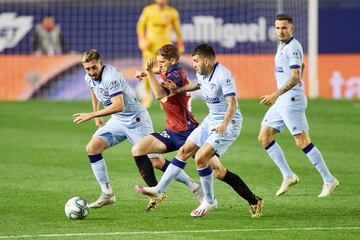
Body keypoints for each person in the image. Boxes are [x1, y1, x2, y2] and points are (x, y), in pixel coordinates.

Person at [135, 44, 264, 218]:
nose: (193, 64)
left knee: (207, 162)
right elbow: (197, 84)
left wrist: (224, 125)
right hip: (210, 120)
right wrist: (178, 90)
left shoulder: (223, 75)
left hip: (228, 121)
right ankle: (159, 190)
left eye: (196, 61)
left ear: (206, 60)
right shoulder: (202, 73)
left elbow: (232, 104)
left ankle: (212, 201)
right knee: (187, 153)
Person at [73, 49, 198, 209]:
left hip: (136, 120)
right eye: (87, 69)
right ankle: (107, 194)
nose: (91, 72)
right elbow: (93, 89)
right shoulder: (89, 77)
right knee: (92, 148)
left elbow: (119, 105)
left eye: (94, 67)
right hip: (118, 121)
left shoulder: (111, 76)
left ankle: (193, 187)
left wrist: (91, 114)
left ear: (100, 63)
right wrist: (98, 116)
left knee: (156, 161)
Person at [258, 14, 339, 197]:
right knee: (265, 137)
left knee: (302, 142)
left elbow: (295, 76)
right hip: (283, 100)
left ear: (291, 29)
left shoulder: (293, 46)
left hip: (291, 100)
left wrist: (275, 94)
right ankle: (288, 176)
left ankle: (329, 179)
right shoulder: (282, 45)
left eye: (284, 28)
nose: (280, 31)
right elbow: (301, 65)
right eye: (278, 28)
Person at [136, 0, 184, 108]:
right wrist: (141, 39)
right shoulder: (148, 10)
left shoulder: (172, 12)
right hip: (150, 47)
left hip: (165, 48)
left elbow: (177, 30)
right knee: (147, 69)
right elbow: (140, 26)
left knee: (166, 71)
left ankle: (166, 95)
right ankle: (147, 95)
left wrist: (180, 44)